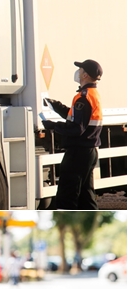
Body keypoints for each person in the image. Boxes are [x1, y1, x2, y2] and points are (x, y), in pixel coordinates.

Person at [43, 59, 103, 209]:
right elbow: (77, 118)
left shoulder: (83, 97)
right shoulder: (92, 94)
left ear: (85, 75)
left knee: (67, 195)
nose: (78, 72)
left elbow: (76, 129)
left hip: (78, 153)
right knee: (86, 197)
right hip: (88, 151)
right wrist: (56, 106)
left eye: (81, 69)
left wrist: (52, 126)